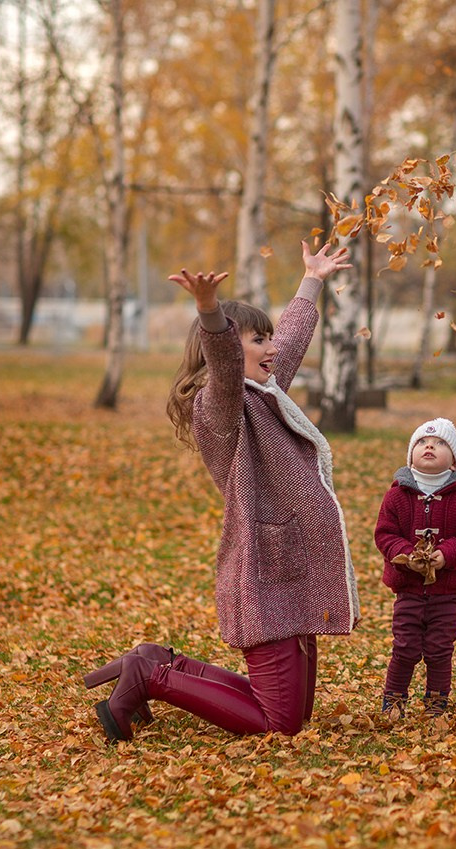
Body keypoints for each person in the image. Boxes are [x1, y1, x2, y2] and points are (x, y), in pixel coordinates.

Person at [83, 241, 361, 743]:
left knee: (292, 719)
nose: (272, 348)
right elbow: (227, 365)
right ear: (230, 351)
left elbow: (290, 344)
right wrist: (211, 313)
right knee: (279, 725)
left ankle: (155, 662)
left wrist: (311, 281)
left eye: (268, 338)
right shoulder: (221, 407)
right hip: (264, 568)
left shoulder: (265, 394)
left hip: (287, 569)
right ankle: (152, 678)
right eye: (259, 339)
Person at [375, 418, 456, 718]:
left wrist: (446, 554)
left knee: (439, 648)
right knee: (405, 646)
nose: (430, 446)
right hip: (409, 588)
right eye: (423, 443)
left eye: (440, 444)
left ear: (453, 462)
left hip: (449, 591)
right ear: (411, 454)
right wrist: (404, 554)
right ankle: (394, 701)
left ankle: (436, 703)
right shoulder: (398, 494)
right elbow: (385, 534)